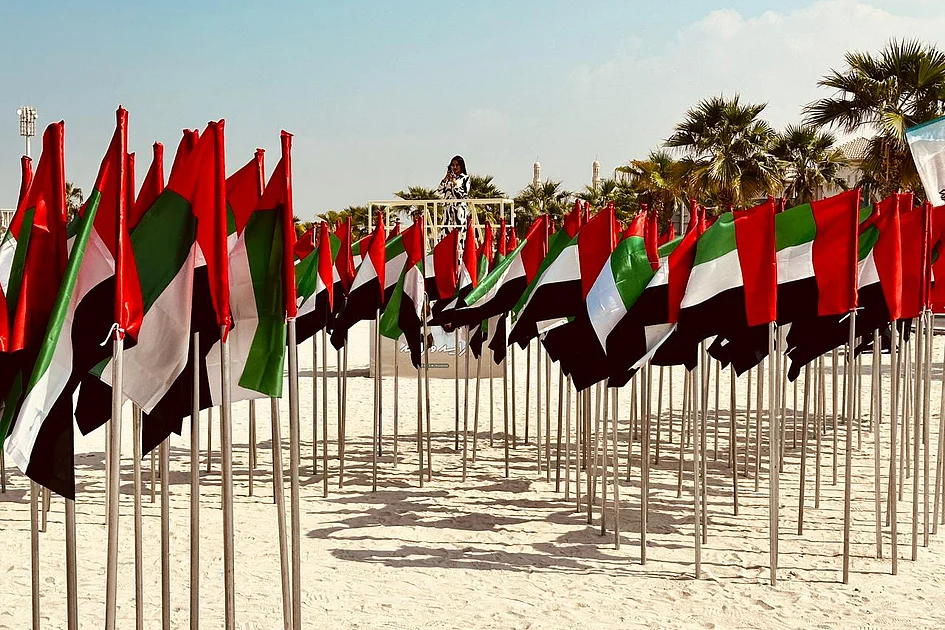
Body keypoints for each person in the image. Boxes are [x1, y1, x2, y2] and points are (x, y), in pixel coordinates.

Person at [436, 155, 470, 239]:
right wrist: (445, 179)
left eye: (457, 165)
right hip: (448, 209)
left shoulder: (465, 178)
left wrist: (455, 184)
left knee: (460, 234)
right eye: (453, 165)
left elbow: (463, 194)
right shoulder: (448, 179)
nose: (455, 167)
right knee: (446, 233)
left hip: (459, 209)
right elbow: (439, 191)